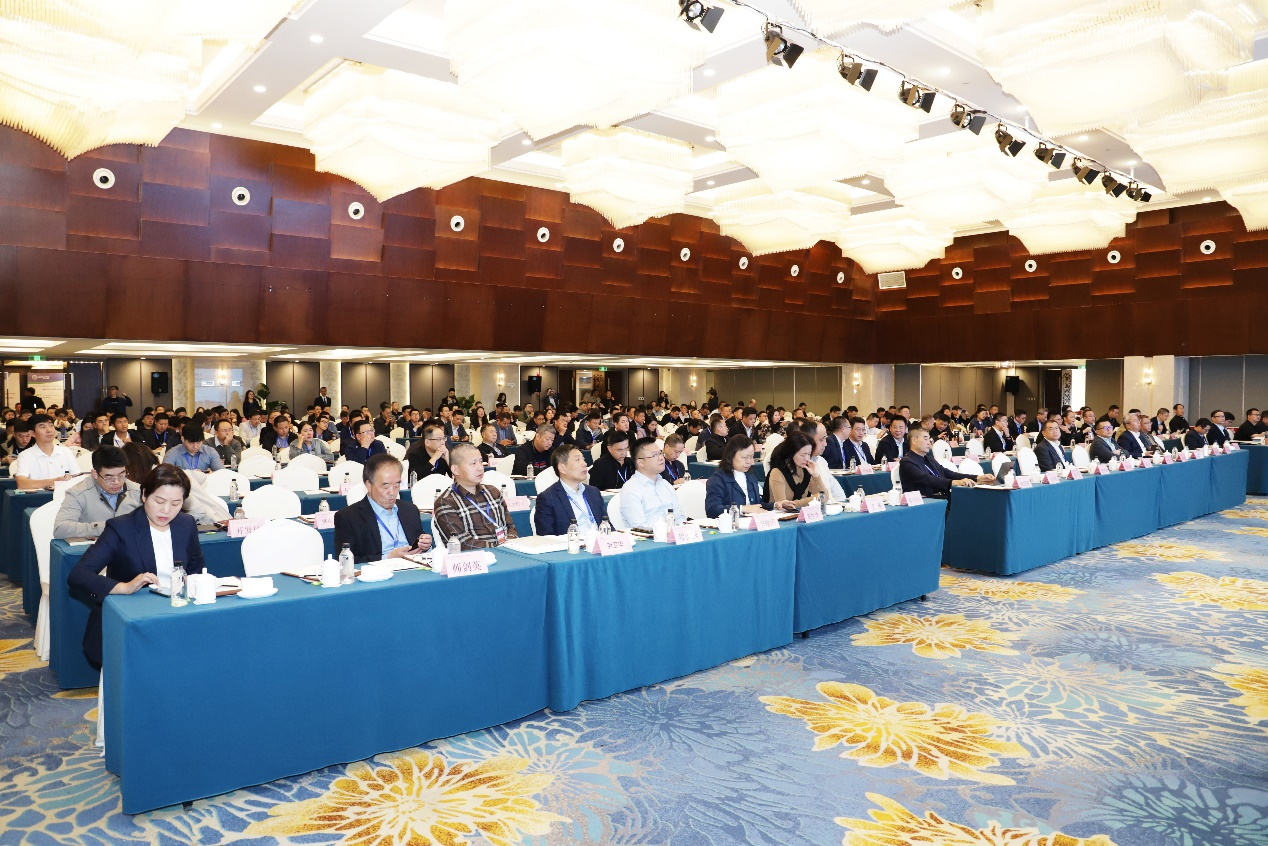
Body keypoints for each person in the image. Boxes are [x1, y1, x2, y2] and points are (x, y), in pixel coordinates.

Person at [67, 465, 204, 669]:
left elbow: (196, 571)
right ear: (144, 495)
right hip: (134, 619)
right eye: (159, 501)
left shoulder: (186, 524)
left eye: (176, 503)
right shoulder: (121, 528)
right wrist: (124, 587)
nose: (166, 510)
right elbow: (79, 574)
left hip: (176, 614)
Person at [333, 453, 432, 564]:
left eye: (396, 485)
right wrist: (388, 557)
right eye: (385, 487)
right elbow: (346, 561)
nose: (392, 492)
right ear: (369, 485)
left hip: (413, 568)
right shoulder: (348, 517)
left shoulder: (410, 510)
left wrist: (426, 545)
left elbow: (419, 542)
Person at [432, 443, 518, 550]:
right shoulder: (446, 502)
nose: (480, 468)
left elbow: (510, 527)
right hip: (476, 557)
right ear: (455, 470)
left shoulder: (493, 491)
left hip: (506, 551)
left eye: (481, 462)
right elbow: (463, 544)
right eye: (473, 463)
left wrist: (511, 542)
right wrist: (500, 547)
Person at [54, 446, 137, 539]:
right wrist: (107, 527)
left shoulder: (138, 491)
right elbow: (60, 529)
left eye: (121, 475)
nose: (116, 482)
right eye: (109, 478)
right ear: (95, 474)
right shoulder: (78, 493)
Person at [705, 436, 792, 518]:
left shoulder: (750, 476)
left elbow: (756, 505)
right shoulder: (717, 479)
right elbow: (712, 510)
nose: (750, 462)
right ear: (730, 456)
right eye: (745, 457)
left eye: (752, 457)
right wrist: (743, 509)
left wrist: (775, 505)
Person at [899, 428, 995, 499]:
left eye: (929, 440)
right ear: (914, 440)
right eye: (925, 439)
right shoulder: (907, 461)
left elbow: (948, 473)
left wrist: (977, 478)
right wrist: (953, 483)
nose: (929, 443)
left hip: (942, 497)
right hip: (926, 501)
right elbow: (927, 479)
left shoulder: (929, 459)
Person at [534, 444, 607, 535]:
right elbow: (546, 537)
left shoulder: (594, 492)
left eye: (583, 459)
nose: (584, 464)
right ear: (562, 468)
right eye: (577, 460)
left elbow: (607, 525)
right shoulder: (548, 498)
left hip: (600, 541)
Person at [619, 438, 683, 529]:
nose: (661, 458)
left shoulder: (665, 484)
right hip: (651, 536)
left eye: (660, 453)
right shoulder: (631, 489)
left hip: (673, 534)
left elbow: (679, 517)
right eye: (654, 455)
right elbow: (639, 528)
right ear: (640, 462)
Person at [13, 413, 79, 490]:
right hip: (40, 497)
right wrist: (56, 481)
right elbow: (22, 484)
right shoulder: (25, 456)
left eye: (51, 426)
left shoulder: (66, 452)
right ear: (32, 433)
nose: (49, 430)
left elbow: (77, 478)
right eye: (43, 427)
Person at [764, 431, 827, 508]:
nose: (807, 458)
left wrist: (816, 476)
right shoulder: (777, 472)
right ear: (791, 453)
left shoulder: (805, 470)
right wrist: (812, 500)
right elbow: (783, 505)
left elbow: (825, 498)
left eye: (809, 454)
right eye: (803, 455)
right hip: (779, 514)